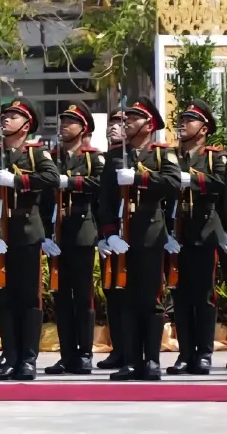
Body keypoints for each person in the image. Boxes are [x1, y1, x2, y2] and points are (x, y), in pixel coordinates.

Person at [0, 97, 59, 381]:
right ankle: (11, 357)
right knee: (4, 297)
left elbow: (52, 179)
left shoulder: (36, 155)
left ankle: (28, 359)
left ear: (26, 125)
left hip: (26, 230)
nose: (5, 120)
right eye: (4, 116)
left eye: (12, 116)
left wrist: (19, 181)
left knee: (28, 298)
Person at [99, 96, 181, 381]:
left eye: (134, 118)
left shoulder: (161, 154)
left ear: (149, 125)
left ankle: (152, 360)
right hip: (123, 235)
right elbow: (105, 202)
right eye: (126, 118)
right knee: (128, 300)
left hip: (149, 232)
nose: (127, 122)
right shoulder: (114, 158)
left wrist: (140, 178)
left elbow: (173, 185)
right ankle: (132, 361)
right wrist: (109, 235)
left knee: (151, 299)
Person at [44, 101, 103, 376]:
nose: (64, 125)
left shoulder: (92, 158)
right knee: (61, 296)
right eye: (63, 120)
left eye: (71, 121)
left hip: (81, 231)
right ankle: (67, 354)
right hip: (57, 232)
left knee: (82, 296)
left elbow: (101, 183)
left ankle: (85, 353)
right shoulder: (50, 157)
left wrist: (71, 182)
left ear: (84, 128)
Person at [167, 99, 225, 375]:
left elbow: (223, 183)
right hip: (176, 234)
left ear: (204, 129)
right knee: (180, 296)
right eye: (182, 119)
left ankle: (203, 353)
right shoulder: (169, 156)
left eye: (190, 120)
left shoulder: (214, 157)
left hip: (204, 232)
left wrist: (196, 179)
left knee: (203, 297)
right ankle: (184, 353)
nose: (183, 124)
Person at [95, 108, 126, 370]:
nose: (114, 127)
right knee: (113, 294)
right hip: (113, 235)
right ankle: (119, 349)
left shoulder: (149, 156)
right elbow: (102, 201)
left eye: (121, 123)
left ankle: (136, 351)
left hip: (138, 234)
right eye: (113, 122)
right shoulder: (109, 158)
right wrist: (103, 236)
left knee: (137, 296)